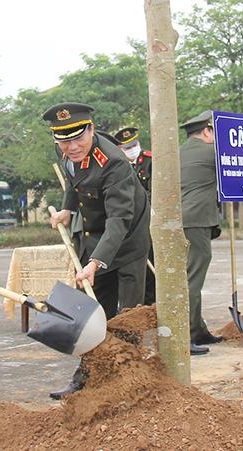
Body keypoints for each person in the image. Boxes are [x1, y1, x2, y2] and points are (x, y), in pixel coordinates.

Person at [43, 102, 150, 399]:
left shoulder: (113, 163)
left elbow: (119, 219)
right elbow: (73, 180)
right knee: (93, 311)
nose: (72, 147)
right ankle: (86, 377)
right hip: (95, 234)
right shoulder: (66, 150)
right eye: (64, 141)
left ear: (91, 128)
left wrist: (96, 261)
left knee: (128, 315)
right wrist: (67, 208)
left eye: (78, 138)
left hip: (127, 239)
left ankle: (130, 380)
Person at [179, 110, 225, 356]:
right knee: (192, 280)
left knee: (187, 275)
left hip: (179, 221)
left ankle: (198, 329)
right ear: (207, 132)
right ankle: (185, 336)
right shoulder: (212, 152)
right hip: (196, 221)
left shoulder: (178, 152)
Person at [114, 126, 155, 306]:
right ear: (120, 149)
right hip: (126, 224)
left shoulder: (149, 161)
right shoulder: (117, 167)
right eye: (127, 147)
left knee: (151, 264)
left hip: (148, 221)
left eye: (134, 145)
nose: (132, 149)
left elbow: (155, 190)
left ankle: (151, 303)